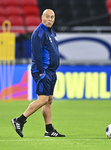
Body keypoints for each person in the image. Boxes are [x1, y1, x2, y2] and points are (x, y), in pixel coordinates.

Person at [11, 9, 65, 138]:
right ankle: (19, 120)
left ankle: (49, 130)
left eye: (52, 17)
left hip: (51, 71)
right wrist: (41, 72)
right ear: (42, 17)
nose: (50, 19)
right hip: (43, 71)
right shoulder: (39, 32)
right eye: (47, 16)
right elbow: (36, 53)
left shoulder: (52, 32)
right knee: (43, 99)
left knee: (49, 100)